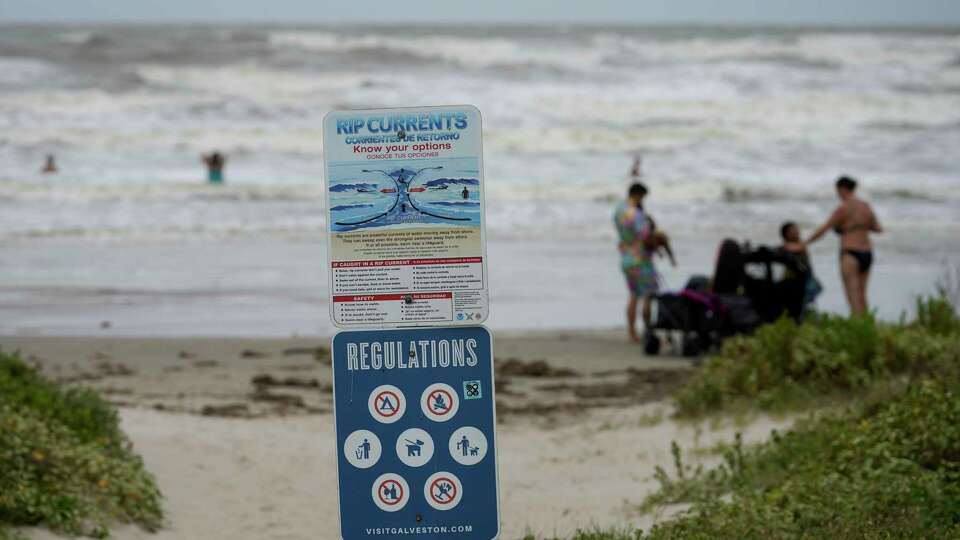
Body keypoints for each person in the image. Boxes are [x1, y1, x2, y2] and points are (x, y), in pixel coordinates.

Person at [803, 176, 882, 315]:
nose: (837, 194)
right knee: (862, 295)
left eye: (837, 191)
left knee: (853, 296)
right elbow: (877, 228)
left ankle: (857, 328)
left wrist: (805, 243)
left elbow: (824, 229)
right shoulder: (865, 206)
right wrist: (859, 225)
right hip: (867, 252)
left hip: (850, 253)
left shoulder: (843, 208)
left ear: (842, 189)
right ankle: (868, 325)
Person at [614, 182, 659, 343]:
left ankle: (632, 332)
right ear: (639, 195)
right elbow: (645, 236)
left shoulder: (619, 210)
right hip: (640, 259)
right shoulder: (636, 214)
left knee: (633, 296)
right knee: (647, 295)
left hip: (626, 257)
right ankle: (648, 332)